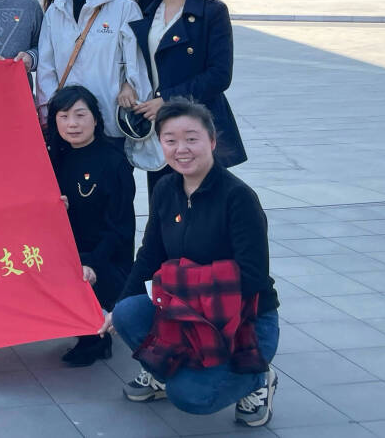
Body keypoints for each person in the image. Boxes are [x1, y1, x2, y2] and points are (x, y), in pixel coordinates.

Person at [102, 99, 279, 428]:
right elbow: (150, 253)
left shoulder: (238, 197)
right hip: (188, 310)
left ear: (211, 140)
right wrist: (118, 304)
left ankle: (258, 378)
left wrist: (182, 287)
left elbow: (253, 276)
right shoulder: (166, 188)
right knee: (127, 312)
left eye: (191, 139)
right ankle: (165, 370)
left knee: (191, 397)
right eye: (170, 140)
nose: (181, 149)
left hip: (244, 320)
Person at [124, 0, 245, 194]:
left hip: (197, 121)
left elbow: (220, 75)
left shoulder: (211, 11)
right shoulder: (143, 11)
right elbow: (132, 60)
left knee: (202, 201)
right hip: (158, 124)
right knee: (165, 198)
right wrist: (127, 84)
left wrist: (167, 99)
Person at [45, 86, 135, 367]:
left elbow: (120, 229)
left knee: (79, 272)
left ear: (96, 119)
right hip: (67, 250)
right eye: (64, 116)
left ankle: (95, 337)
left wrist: (92, 263)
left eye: (80, 115)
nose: (72, 124)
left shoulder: (114, 162)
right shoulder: (54, 158)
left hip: (105, 257)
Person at [35, 0, 148, 132]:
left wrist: (131, 86)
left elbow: (136, 62)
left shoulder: (125, 8)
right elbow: (46, 67)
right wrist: (50, 113)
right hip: (68, 123)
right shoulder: (56, 10)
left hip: (111, 119)